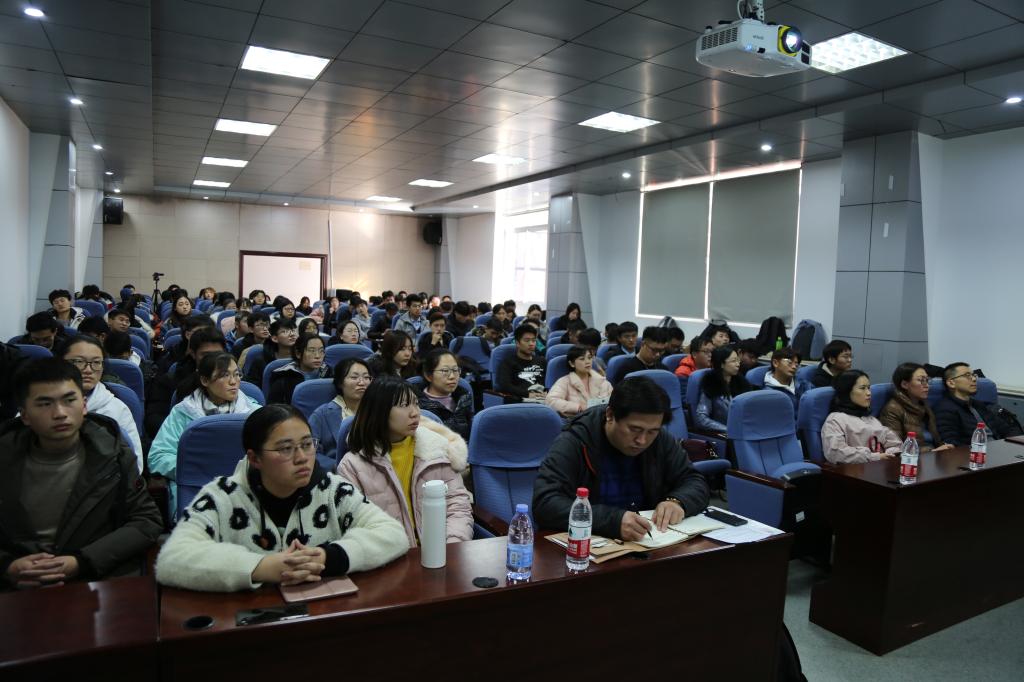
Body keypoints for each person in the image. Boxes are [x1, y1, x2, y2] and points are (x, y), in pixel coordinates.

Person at [155, 404, 408, 591]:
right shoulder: (222, 496)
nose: (301, 458)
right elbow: (171, 559)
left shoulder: (333, 490)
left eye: (307, 444)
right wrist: (262, 567)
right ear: (255, 458)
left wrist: (328, 558)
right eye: (286, 449)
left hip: (322, 615)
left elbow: (393, 534)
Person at [1, 359, 161, 587]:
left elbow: (146, 520)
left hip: (95, 579)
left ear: (84, 405)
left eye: (69, 400)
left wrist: (82, 561)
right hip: (17, 585)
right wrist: (7, 566)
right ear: (24, 415)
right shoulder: (5, 456)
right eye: (45, 404)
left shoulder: (113, 453)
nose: (59, 413)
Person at [533, 376, 710, 541]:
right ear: (610, 415)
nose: (642, 441)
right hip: (590, 544)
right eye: (634, 429)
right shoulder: (576, 441)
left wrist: (678, 501)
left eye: (652, 431)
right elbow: (545, 504)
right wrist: (611, 521)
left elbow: (694, 481)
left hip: (648, 542)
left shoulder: (659, 439)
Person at [338, 376, 473, 547]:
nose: (415, 413)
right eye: (403, 405)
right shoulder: (352, 466)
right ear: (379, 411)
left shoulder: (435, 449)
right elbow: (354, 527)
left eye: (416, 403)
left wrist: (452, 544)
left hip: (440, 550)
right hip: (388, 556)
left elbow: (457, 505)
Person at [149, 353, 261, 515]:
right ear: (205, 380)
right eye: (225, 375)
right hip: (195, 489)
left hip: (245, 488)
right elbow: (158, 455)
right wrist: (195, 469)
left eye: (237, 374)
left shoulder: (255, 414)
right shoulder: (184, 412)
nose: (234, 381)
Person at [59, 336, 144, 471]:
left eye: (96, 362)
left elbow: (135, 465)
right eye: (79, 361)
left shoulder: (116, 409)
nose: (88, 370)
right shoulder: (42, 403)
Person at [145, 326, 227, 438]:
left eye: (218, 354)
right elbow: (154, 419)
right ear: (193, 354)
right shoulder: (170, 380)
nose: (213, 360)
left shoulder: (235, 380)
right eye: (206, 355)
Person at [822, 370, 902, 464]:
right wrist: (875, 457)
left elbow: (896, 444)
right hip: (852, 470)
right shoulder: (835, 419)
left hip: (879, 467)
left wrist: (891, 453)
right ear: (847, 391)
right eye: (862, 388)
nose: (869, 393)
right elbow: (835, 453)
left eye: (868, 388)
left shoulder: (871, 419)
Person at [934, 363, 1023, 445]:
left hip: (999, 448)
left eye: (973, 375)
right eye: (967, 376)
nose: (974, 379)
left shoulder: (978, 404)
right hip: (976, 454)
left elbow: (1005, 428)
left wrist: (1015, 445)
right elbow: (952, 445)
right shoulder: (945, 409)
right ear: (951, 383)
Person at [880, 363, 953, 453]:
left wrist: (944, 446)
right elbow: (896, 450)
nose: (927, 385)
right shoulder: (892, 410)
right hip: (915, 459)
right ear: (905, 384)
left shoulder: (923, 404)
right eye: (921, 380)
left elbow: (936, 440)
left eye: (927, 380)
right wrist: (932, 451)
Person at [310, 358, 372, 464]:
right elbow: (311, 452)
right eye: (354, 377)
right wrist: (338, 468)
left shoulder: (377, 410)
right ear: (340, 383)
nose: (362, 382)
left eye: (366, 377)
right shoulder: (321, 414)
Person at [413, 349, 473, 440]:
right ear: (428, 375)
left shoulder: (464, 397)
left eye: (455, 370)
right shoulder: (417, 404)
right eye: (445, 371)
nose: (452, 376)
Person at [694, 346, 751, 433]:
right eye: (733, 361)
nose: (738, 364)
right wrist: (728, 430)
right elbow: (701, 418)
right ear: (721, 364)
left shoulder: (741, 382)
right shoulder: (711, 384)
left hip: (746, 428)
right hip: (725, 433)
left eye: (738, 360)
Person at [546, 345, 612, 417]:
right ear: (572, 363)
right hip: (577, 420)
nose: (587, 362)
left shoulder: (601, 380)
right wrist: (578, 407)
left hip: (603, 419)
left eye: (589, 358)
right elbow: (551, 401)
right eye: (582, 359)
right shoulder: (564, 381)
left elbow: (614, 400)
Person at [267, 333, 333, 405]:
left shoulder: (329, 374)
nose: (317, 356)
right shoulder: (284, 379)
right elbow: (274, 409)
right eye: (312, 350)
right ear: (298, 353)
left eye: (321, 351)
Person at [243, 317, 299, 385]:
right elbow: (253, 387)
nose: (292, 334)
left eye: (293, 330)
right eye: (284, 331)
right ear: (275, 338)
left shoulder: (302, 358)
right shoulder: (262, 362)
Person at [497, 324, 546, 400]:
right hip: (521, 400)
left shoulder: (542, 361)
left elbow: (549, 382)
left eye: (533, 340)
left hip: (543, 398)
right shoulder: (508, 363)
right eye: (527, 340)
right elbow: (505, 386)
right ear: (517, 343)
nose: (531, 344)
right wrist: (527, 394)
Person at [763, 347, 802, 411]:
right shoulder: (768, 393)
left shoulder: (803, 384)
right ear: (775, 363)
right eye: (789, 362)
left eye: (796, 364)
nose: (794, 367)